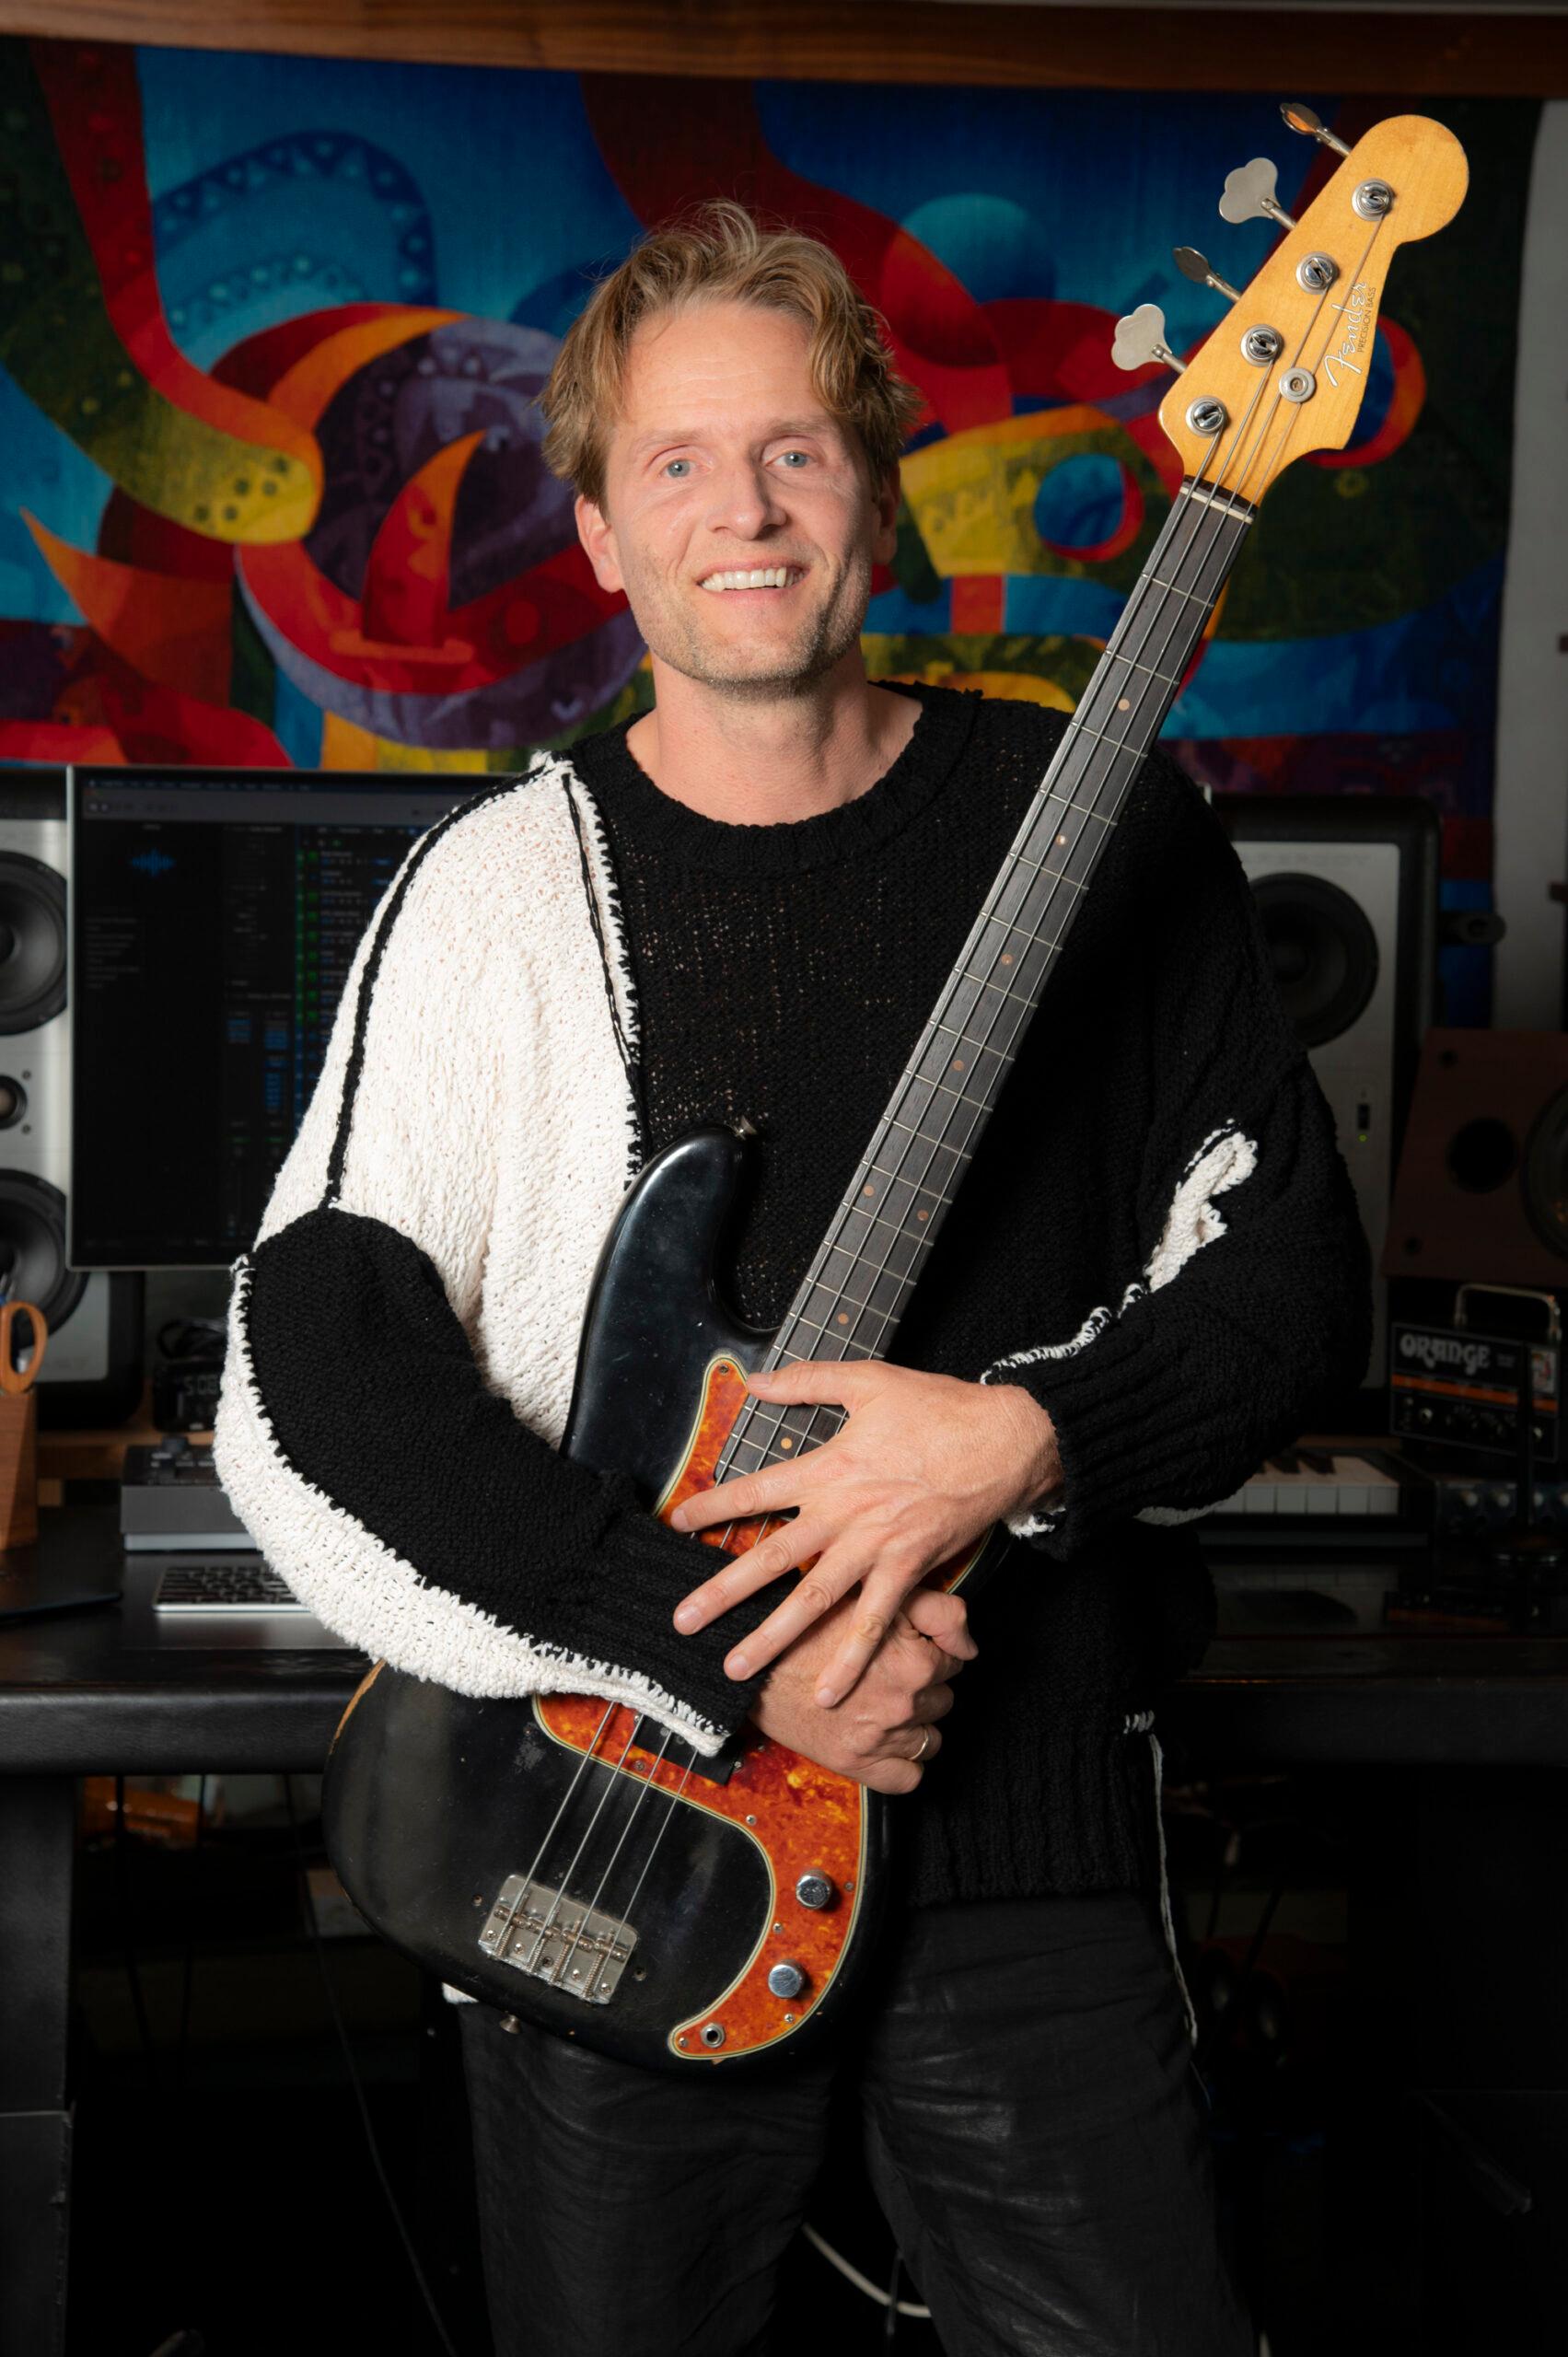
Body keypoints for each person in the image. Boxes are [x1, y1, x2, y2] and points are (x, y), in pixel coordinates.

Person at [214, 202, 1370, 2355]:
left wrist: (1015, 1439)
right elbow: (326, 1351)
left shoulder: (1104, 822)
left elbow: (1300, 1280)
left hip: (1027, 1842)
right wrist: (711, 1653)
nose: (740, 511)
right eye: (676, 462)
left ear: (880, 492)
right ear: (597, 534)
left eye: (794, 452)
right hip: (621, 1831)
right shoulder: (500, 892)